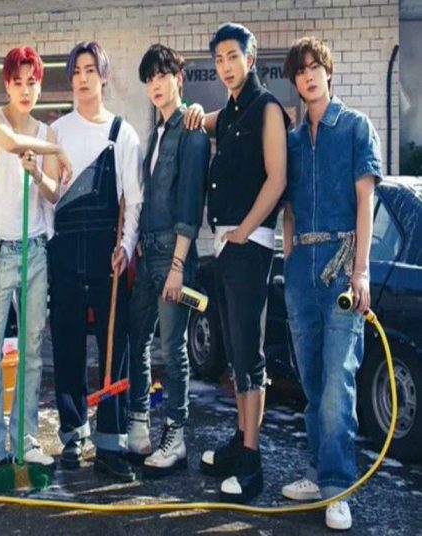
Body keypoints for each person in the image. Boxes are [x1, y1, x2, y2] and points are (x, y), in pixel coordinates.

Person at [281, 36, 382, 531]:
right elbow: (287, 205)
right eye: (300, 71)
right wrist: (288, 253)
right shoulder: (293, 141)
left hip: (343, 266)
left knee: (338, 381)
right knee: (312, 379)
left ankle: (338, 487)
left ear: (328, 71)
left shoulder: (357, 127)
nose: (309, 75)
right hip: (301, 269)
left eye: (314, 66)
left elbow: (366, 201)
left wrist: (361, 271)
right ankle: (320, 472)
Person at [197, 23, 289, 503]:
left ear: (250, 59)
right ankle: (240, 439)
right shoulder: (231, 111)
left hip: (250, 243)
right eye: (219, 60)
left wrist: (243, 230)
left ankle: (252, 461)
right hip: (227, 245)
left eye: (233, 56)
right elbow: (206, 120)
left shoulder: (267, 107)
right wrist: (195, 113)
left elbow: (277, 179)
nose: (226, 66)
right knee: (234, 352)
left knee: (250, 355)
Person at [0, 45, 68, 480]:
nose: (26, 90)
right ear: (6, 84)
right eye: (18, 82)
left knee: (31, 351)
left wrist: (40, 171)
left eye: (33, 82)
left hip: (35, 250)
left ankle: (25, 440)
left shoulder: (45, 132)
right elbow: (10, 143)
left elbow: (53, 194)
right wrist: (56, 150)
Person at [49, 41, 143, 481]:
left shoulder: (123, 133)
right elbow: (49, 196)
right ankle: (72, 433)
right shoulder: (56, 131)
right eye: (76, 71)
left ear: (103, 77)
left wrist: (126, 244)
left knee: (113, 346)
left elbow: (133, 200)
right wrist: (50, 242)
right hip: (64, 249)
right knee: (66, 342)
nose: (83, 78)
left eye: (90, 70)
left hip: (108, 253)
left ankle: (111, 443)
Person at [126, 44, 210, 477]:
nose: (156, 85)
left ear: (179, 77)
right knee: (137, 337)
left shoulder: (191, 132)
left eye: (162, 75)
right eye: (149, 78)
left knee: (173, 348)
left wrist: (177, 266)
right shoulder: (157, 132)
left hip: (173, 255)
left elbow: (191, 204)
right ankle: (139, 423)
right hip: (147, 252)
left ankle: (175, 436)